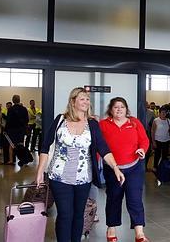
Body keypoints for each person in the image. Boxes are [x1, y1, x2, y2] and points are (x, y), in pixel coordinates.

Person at [36, 87, 124, 242]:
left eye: (88, 99)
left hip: (83, 178)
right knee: (65, 214)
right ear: (73, 101)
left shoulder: (92, 124)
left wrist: (116, 167)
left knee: (78, 215)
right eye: (82, 98)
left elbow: (103, 148)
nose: (86, 101)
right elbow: (45, 147)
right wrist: (39, 172)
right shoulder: (60, 120)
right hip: (59, 177)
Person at [99, 97, 150, 242]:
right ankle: (111, 229)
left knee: (135, 199)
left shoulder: (134, 122)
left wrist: (142, 149)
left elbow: (144, 140)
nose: (119, 109)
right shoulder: (103, 125)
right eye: (116, 107)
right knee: (114, 199)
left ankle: (139, 233)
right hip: (113, 169)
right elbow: (99, 144)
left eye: (122, 107)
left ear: (126, 109)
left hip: (134, 168)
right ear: (111, 110)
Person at [5, 94, 28, 164]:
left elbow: (8, 120)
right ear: (19, 100)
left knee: (11, 145)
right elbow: (27, 120)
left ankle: (11, 160)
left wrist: (6, 129)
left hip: (12, 130)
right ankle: (23, 159)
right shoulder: (24, 109)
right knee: (21, 144)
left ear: (12, 100)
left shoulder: (10, 109)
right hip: (21, 129)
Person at [151, 106, 170, 172]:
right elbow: (152, 131)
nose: (164, 114)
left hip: (166, 140)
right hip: (158, 140)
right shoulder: (156, 120)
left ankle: (163, 167)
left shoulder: (168, 120)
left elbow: (169, 131)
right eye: (162, 112)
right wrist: (153, 141)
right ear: (159, 113)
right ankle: (155, 166)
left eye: (165, 112)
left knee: (165, 155)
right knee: (157, 155)